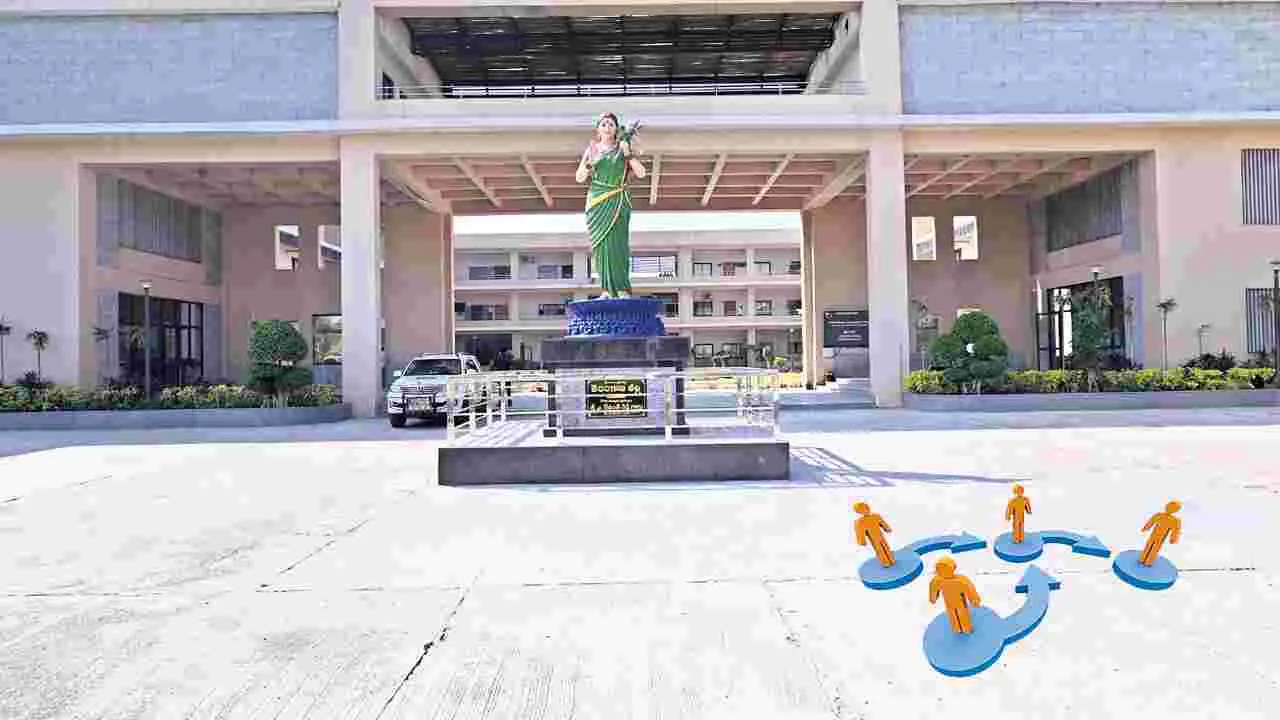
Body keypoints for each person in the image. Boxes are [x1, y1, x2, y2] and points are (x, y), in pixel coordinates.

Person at [575, 112, 646, 299]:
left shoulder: (622, 147)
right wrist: (590, 164)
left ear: (616, 129)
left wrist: (627, 153)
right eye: (604, 124)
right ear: (598, 129)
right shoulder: (592, 150)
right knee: (601, 247)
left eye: (611, 124)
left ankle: (621, 288)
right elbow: (579, 177)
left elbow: (641, 173)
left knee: (618, 244)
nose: (607, 127)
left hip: (617, 200)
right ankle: (606, 289)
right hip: (597, 202)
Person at [929, 557, 982, 634]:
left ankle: (961, 628)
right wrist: (975, 601)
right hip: (955, 602)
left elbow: (933, 590)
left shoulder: (938, 581)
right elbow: (970, 590)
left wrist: (933, 599)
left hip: (954, 602)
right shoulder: (959, 580)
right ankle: (962, 628)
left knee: (957, 614)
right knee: (957, 614)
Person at [1139, 500, 1182, 566]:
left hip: (1161, 537)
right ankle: (1143, 560)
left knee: (1154, 548)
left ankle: (1147, 562)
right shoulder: (1160, 515)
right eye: (1169, 506)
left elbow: (1176, 531)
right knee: (1150, 546)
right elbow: (1151, 521)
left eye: (1172, 508)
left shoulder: (1175, 520)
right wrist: (1146, 528)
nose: (1169, 508)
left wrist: (1173, 539)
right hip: (1154, 535)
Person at [853, 502, 895, 567]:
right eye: (863, 508)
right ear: (859, 512)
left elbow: (882, 523)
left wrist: (887, 528)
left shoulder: (876, 516)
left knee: (886, 546)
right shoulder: (860, 522)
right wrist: (862, 541)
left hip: (880, 535)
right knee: (879, 549)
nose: (867, 509)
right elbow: (859, 532)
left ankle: (892, 559)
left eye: (867, 507)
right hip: (873, 538)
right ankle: (885, 562)